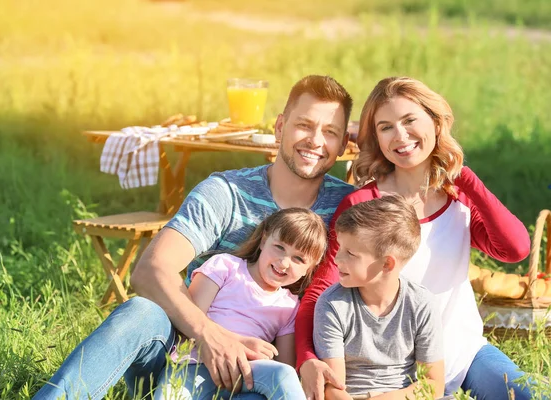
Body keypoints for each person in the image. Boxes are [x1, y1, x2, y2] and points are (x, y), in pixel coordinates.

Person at [33, 74, 353, 400]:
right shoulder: (227, 192)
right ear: (280, 126)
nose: (315, 140)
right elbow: (150, 270)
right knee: (140, 312)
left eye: (330, 132)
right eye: (304, 125)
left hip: (260, 374)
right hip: (184, 356)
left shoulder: (349, 209)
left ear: (344, 145)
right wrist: (207, 335)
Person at [295, 76, 533, 400]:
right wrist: (306, 359)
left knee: (531, 395)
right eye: (386, 127)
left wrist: (463, 175)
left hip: (464, 354)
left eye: (410, 121)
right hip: (394, 371)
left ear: (435, 123)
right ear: (376, 138)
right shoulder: (366, 204)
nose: (401, 136)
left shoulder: (458, 199)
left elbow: (515, 248)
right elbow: (321, 291)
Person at [155, 207, 327, 400]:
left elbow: (285, 366)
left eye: (298, 259)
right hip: (194, 364)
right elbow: (189, 322)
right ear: (264, 240)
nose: (284, 262)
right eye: (279, 247)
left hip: (246, 375)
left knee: (282, 375)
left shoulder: (288, 306)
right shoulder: (225, 266)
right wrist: (239, 342)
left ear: (309, 269)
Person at [314, 195, 444, 400]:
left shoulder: (421, 304)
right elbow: (332, 387)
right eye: (339, 247)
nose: (337, 258)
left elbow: (433, 384)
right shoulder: (332, 304)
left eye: (350, 253)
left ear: (386, 264)